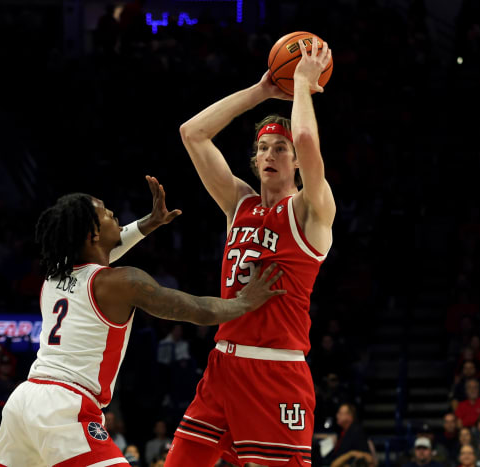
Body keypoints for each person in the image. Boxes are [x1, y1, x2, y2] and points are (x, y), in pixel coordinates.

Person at [0, 176, 285, 467]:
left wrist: (148, 223)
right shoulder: (120, 281)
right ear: (93, 234)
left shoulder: (55, 275)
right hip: (65, 406)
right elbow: (197, 310)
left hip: (24, 400)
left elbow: (102, 251)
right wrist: (244, 302)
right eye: (105, 212)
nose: (114, 213)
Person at [165, 38, 334, 467]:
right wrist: (260, 91)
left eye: (280, 149)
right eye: (262, 148)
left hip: (277, 373)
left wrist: (300, 84)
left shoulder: (311, 211)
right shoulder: (238, 204)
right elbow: (193, 133)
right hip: (223, 366)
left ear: (295, 162)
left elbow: (307, 139)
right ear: (254, 160)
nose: (270, 154)